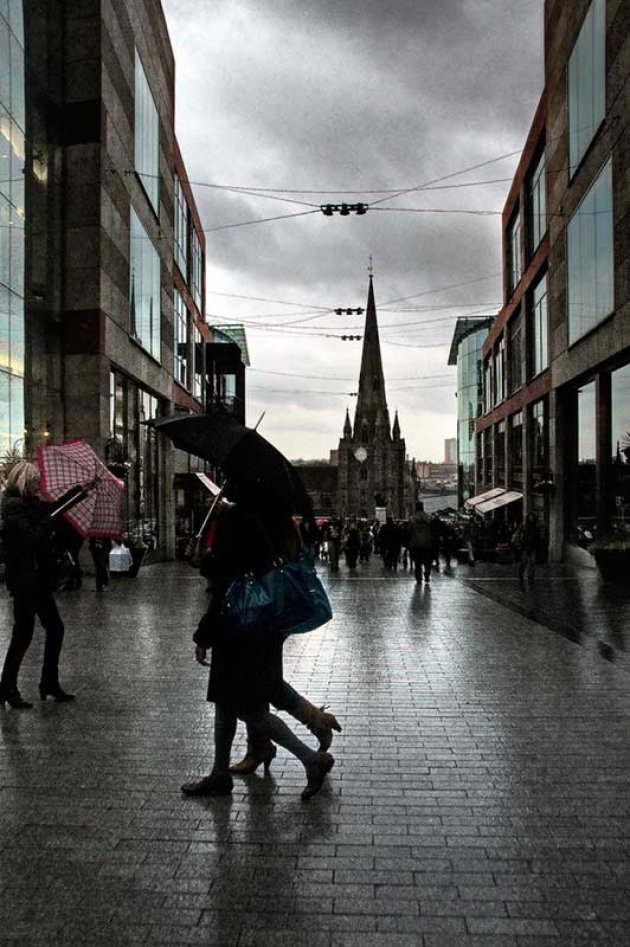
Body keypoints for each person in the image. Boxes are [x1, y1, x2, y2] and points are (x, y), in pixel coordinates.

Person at [181, 499, 336, 801]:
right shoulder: (275, 516)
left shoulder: (240, 517)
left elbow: (229, 577)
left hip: (240, 626)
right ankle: (219, 773)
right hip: (266, 622)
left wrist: (203, 561)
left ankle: (310, 759)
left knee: (246, 707)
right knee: (226, 701)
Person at [0, 461, 96, 709]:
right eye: (33, 482)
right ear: (23, 481)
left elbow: (57, 507)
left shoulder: (31, 505)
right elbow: (29, 537)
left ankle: (49, 683)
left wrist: (82, 490)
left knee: (55, 628)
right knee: (23, 634)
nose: (37, 486)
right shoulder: (12, 507)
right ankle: (7, 688)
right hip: (24, 580)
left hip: (38, 580)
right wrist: (47, 523)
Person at [408, 501, 437, 584]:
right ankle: (427, 574)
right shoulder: (429, 518)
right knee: (428, 560)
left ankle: (419, 578)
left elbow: (409, 531)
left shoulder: (412, 518)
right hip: (428, 542)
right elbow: (433, 531)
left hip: (416, 543)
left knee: (417, 562)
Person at [518, 511, 541, 585]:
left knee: (532, 563)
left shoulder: (536, 527)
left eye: (533, 518)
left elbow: (537, 537)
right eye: (530, 517)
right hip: (525, 547)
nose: (532, 519)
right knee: (524, 562)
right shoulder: (524, 526)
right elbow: (521, 537)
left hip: (533, 547)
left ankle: (530, 577)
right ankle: (520, 573)